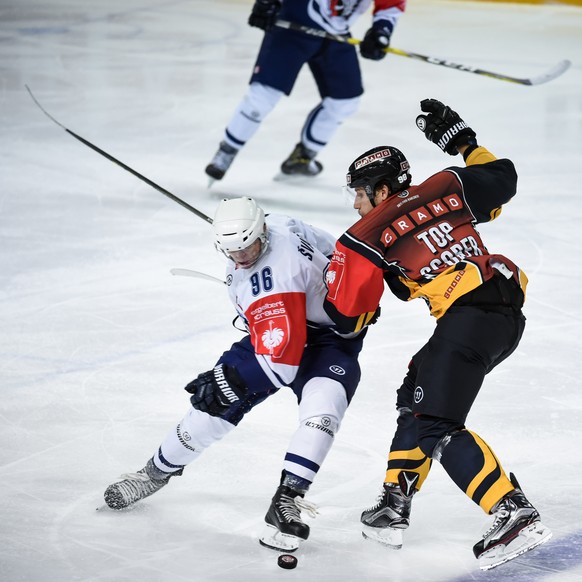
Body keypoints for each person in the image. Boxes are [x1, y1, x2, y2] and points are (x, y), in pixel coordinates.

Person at [322, 98, 552, 570]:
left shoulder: (365, 233)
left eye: (359, 193)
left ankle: (512, 511)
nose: (356, 204)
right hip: (503, 315)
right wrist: (464, 142)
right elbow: (502, 178)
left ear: (381, 190)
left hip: (469, 317)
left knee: (437, 422)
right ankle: (394, 503)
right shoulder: (446, 184)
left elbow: (347, 317)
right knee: (416, 392)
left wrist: (335, 281)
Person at [103, 196, 366, 553]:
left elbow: (282, 364)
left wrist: (230, 382)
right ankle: (153, 474)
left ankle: (287, 498)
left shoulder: (275, 275)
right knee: (209, 409)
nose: (241, 257)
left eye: (247, 247)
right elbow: (332, 249)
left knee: (323, 411)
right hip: (278, 333)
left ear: (262, 232)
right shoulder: (279, 223)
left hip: (325, 343)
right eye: (232, 250)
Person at [205, 0, 406, 183]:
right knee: (263, 96)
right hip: (294, 23)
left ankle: (303, 157)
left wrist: (381, 32)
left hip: (335, 33)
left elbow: (391, 4)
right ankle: (227, 152)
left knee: (345, 102)